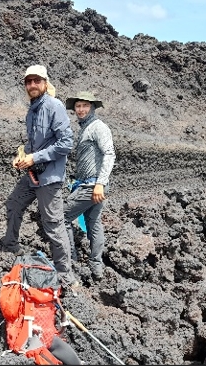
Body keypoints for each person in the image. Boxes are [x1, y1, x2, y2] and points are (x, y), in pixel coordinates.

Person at [2, 65, 76, 288]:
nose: (32, 85)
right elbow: (34, 144)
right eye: (28, 81)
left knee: (53, 224)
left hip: (49, 177)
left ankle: (66, 276)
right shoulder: (32, 110)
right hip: (32, 174)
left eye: (36, 81)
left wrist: (34, 158)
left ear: (45, 83)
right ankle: (10, 246)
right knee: (14, 204)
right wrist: (22, 155)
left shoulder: (55, 106)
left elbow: (66, 143)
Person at [64, 90, 116, 281]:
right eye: (78, 106)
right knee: (93, 223)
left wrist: (100, 184)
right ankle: (96, 267)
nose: (81, 109)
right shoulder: (85, 128)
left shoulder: (97, 127)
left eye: (85, 105)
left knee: (62, 217)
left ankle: (72, 261)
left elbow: (110, 154)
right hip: (90, 185)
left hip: (92, 186)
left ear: (93, 107)